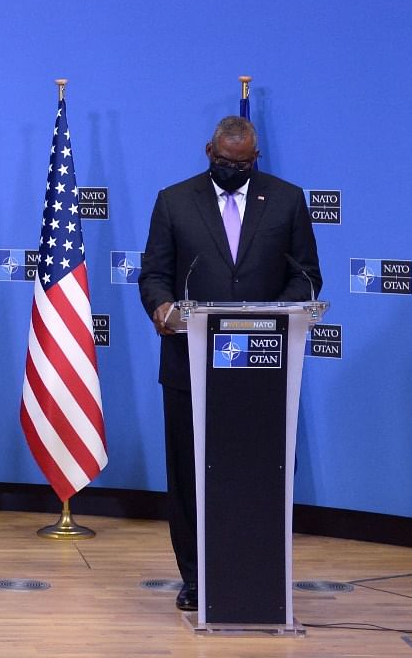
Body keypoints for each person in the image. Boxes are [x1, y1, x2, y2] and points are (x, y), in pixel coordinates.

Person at [138, 116, 321, 612]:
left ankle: (254, 572)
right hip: (188, 366)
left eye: (242, 164)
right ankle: (195, 577)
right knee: (189, 474)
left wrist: (274, 313)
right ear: (208, 152)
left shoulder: (285, 199)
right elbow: (154, 274)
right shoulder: (174, 201)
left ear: (255, 159)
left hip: (262, 370)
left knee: (256, 473)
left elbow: (306, 276)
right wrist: (161, 307)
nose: (233, 170)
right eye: (224, 162)